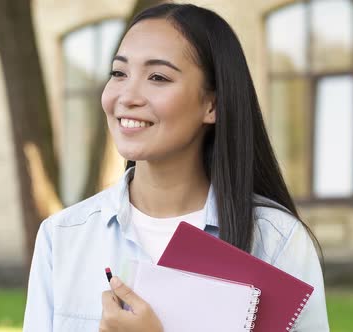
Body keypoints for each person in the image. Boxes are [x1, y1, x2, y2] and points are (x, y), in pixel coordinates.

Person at [23, 3, 329, 332]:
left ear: (212, 104)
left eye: (158, 77)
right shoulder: (63, 237)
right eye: (118, 73)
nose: (127, 95)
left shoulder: (276, 241)